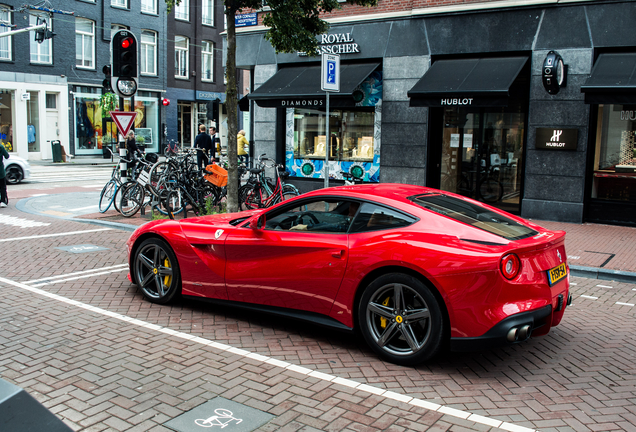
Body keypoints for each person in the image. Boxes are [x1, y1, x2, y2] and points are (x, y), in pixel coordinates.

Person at [0, 142, 9, 207]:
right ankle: (3, 201)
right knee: (2, 187)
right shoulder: (1, 147)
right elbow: (7, 156)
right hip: (0, 171)